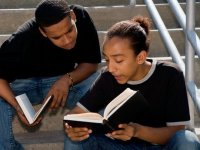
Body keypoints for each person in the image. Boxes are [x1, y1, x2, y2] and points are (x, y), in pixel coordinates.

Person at [64, 16, 200, 150]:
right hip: (121, 147)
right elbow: (75, 114)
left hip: (161, 146)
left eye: (118, 60)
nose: (111, 68)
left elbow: (176, 131)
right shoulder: (107, 77)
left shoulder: (170, 74)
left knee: (187, 140)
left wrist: (137, 131)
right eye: (107, 59)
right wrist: (73, 128)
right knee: (75, 141)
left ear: (140, 57)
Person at [0, 0, 101, 149]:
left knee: (101, 83)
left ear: (73, 16)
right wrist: (17, 106)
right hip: (23, 86)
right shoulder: (21, 39)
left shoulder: (81, 16)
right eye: (57, 37)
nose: (67, 40)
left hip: (64, 82)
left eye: (69, 31)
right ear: (43, 32)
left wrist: (66, 80)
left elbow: (91, 63)